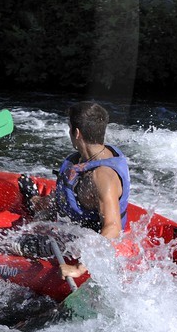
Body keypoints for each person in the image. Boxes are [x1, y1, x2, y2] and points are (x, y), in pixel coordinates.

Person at [45, 100, 130, 240]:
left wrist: (83, 262)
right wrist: (35, 200)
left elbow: (113, 228)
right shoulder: (84, 159)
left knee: (10, 243)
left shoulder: (102, 176)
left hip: (85, 243)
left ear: (77, 133)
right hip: (71, 227)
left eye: (69, 127)